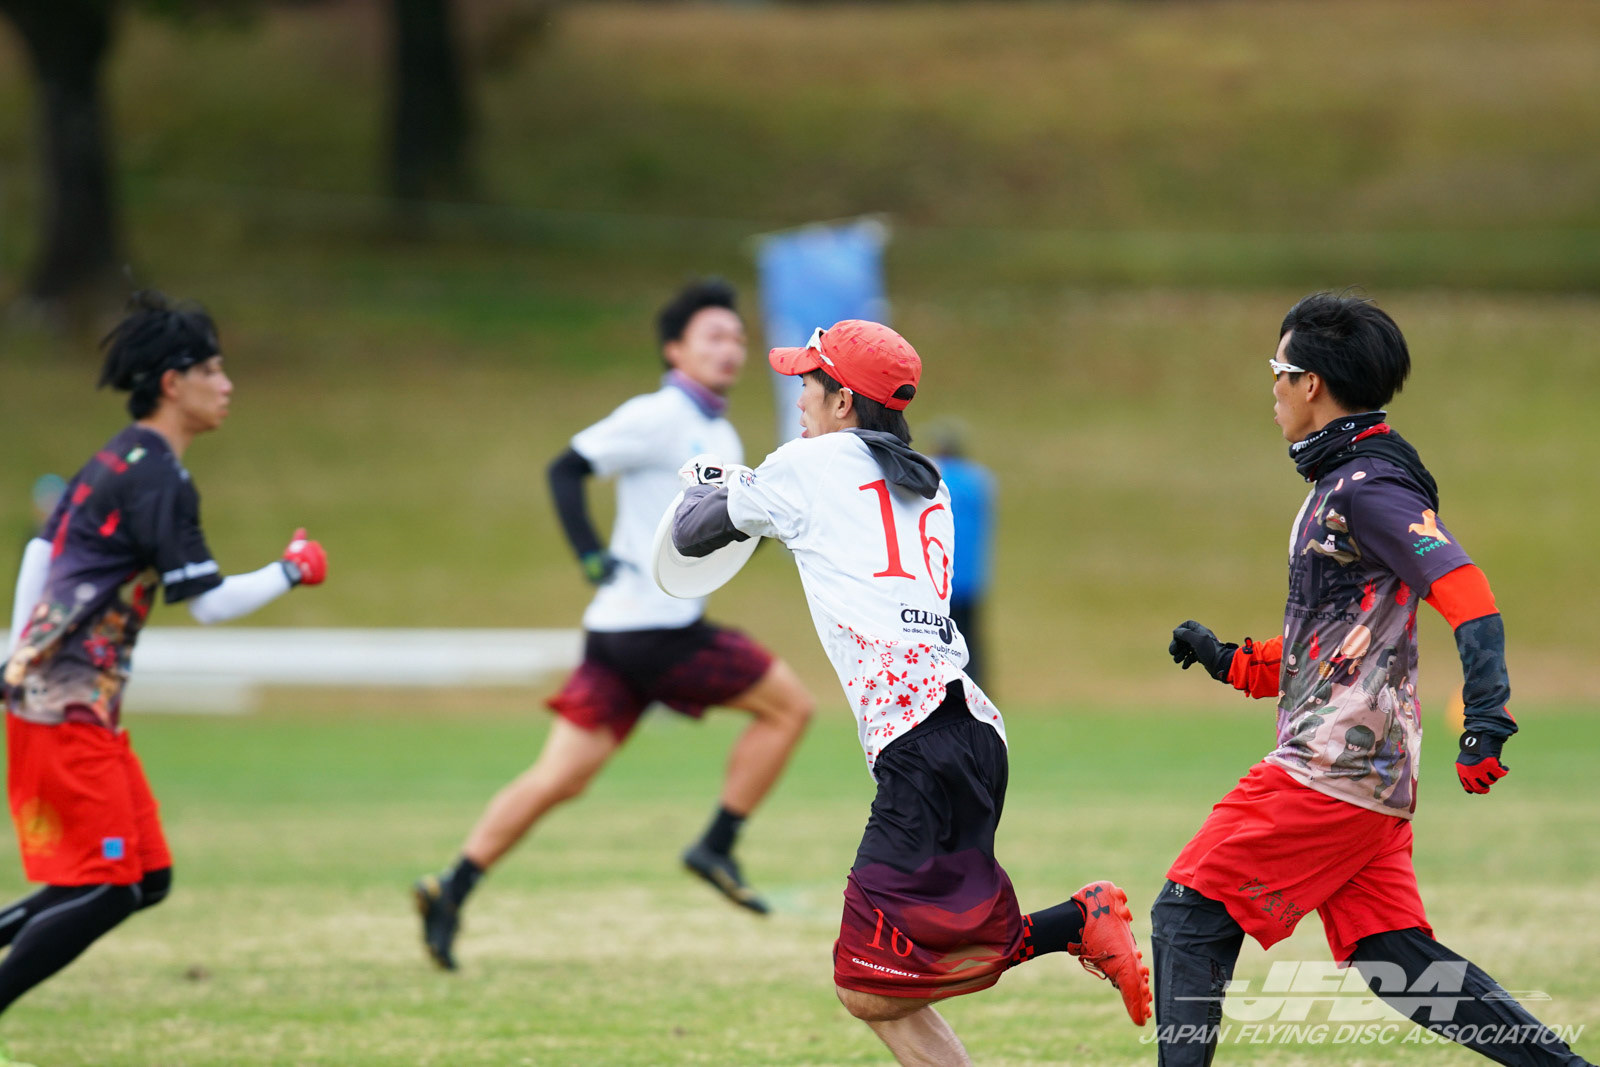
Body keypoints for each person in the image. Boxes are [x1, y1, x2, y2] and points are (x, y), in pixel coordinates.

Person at [668, 320, 1150, 1066]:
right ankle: (1075, 923)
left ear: (843, 401)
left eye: (807, 383)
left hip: (918, 742)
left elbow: (693, 535)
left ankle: (1077, 922)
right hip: (971, 730)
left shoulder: (810, 463)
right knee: (894, 976)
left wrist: (713, 483)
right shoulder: (929, 483)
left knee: (869, 982)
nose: (798, 397)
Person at [1157, 291, 1592, 1066]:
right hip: (1370, 771)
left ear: (1312, 382)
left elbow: (1468, 593)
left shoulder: (1367, 487)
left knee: (1187, 913)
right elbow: (1335, 642)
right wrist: (1230, 660)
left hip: (1333, 768)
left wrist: (1487, 715)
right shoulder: (1343, 484)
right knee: (1398, 959)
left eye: (1278, 369)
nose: (1273, 387)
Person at [414, 279, 814, 971]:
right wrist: (589, 554)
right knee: (791, 707)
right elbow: (566, 468)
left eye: (738, 338)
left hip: (620, 634)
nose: (730, 348)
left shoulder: (719, 431)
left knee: (559, 777)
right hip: (656, 633)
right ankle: (716, 844)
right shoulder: (657, 415)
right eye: (714, 336)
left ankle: (451, 887)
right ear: (674, 349)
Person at [0, 292, 328, 1047]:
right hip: (66, 704)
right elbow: (207, 605)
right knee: (108, 887)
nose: (227, 384)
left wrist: (15, 657)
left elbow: (42, 549)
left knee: (144, 878)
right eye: (212, 370)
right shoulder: (160, 481)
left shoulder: (117, 457)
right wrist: (292, 568)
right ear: (173, 383)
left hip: (69, 701)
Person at [926, 423, 995, 690]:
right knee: (971, 637)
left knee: (939, 637)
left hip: (938, 576)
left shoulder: (933, 476)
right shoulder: (979, 480)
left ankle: (945, 688)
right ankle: (978, 689)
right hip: (972, 575)